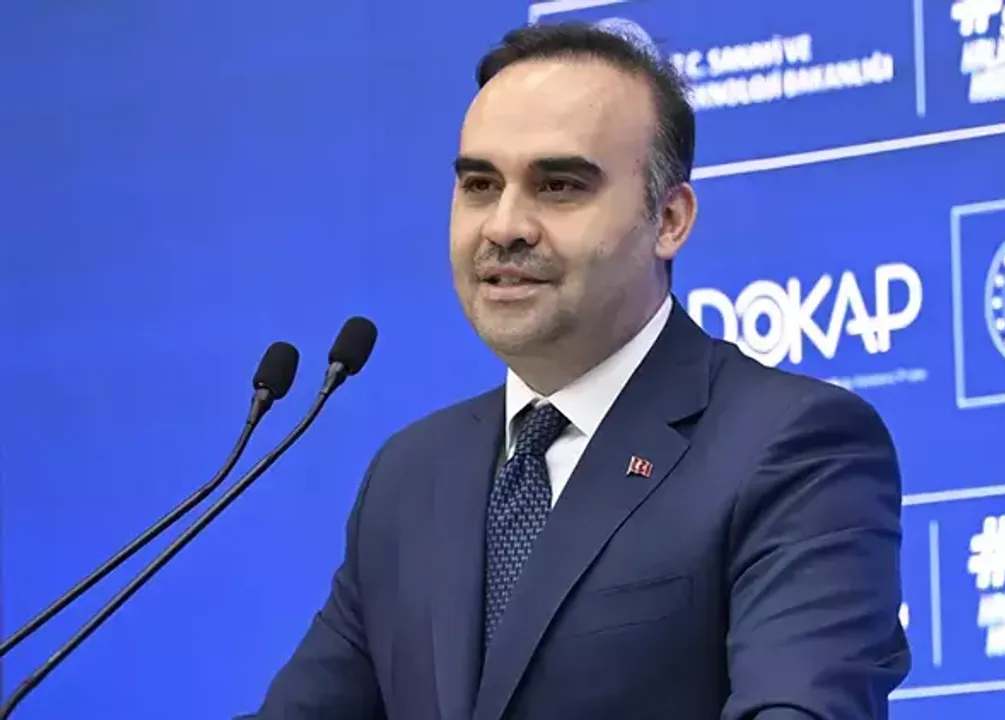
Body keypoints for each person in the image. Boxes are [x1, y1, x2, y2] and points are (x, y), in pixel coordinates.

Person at [247, 20, 910, 720]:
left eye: (559, 185)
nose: (504, 226)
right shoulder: (410, 477)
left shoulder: (793, 446)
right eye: (480, 184)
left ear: (669, 219)